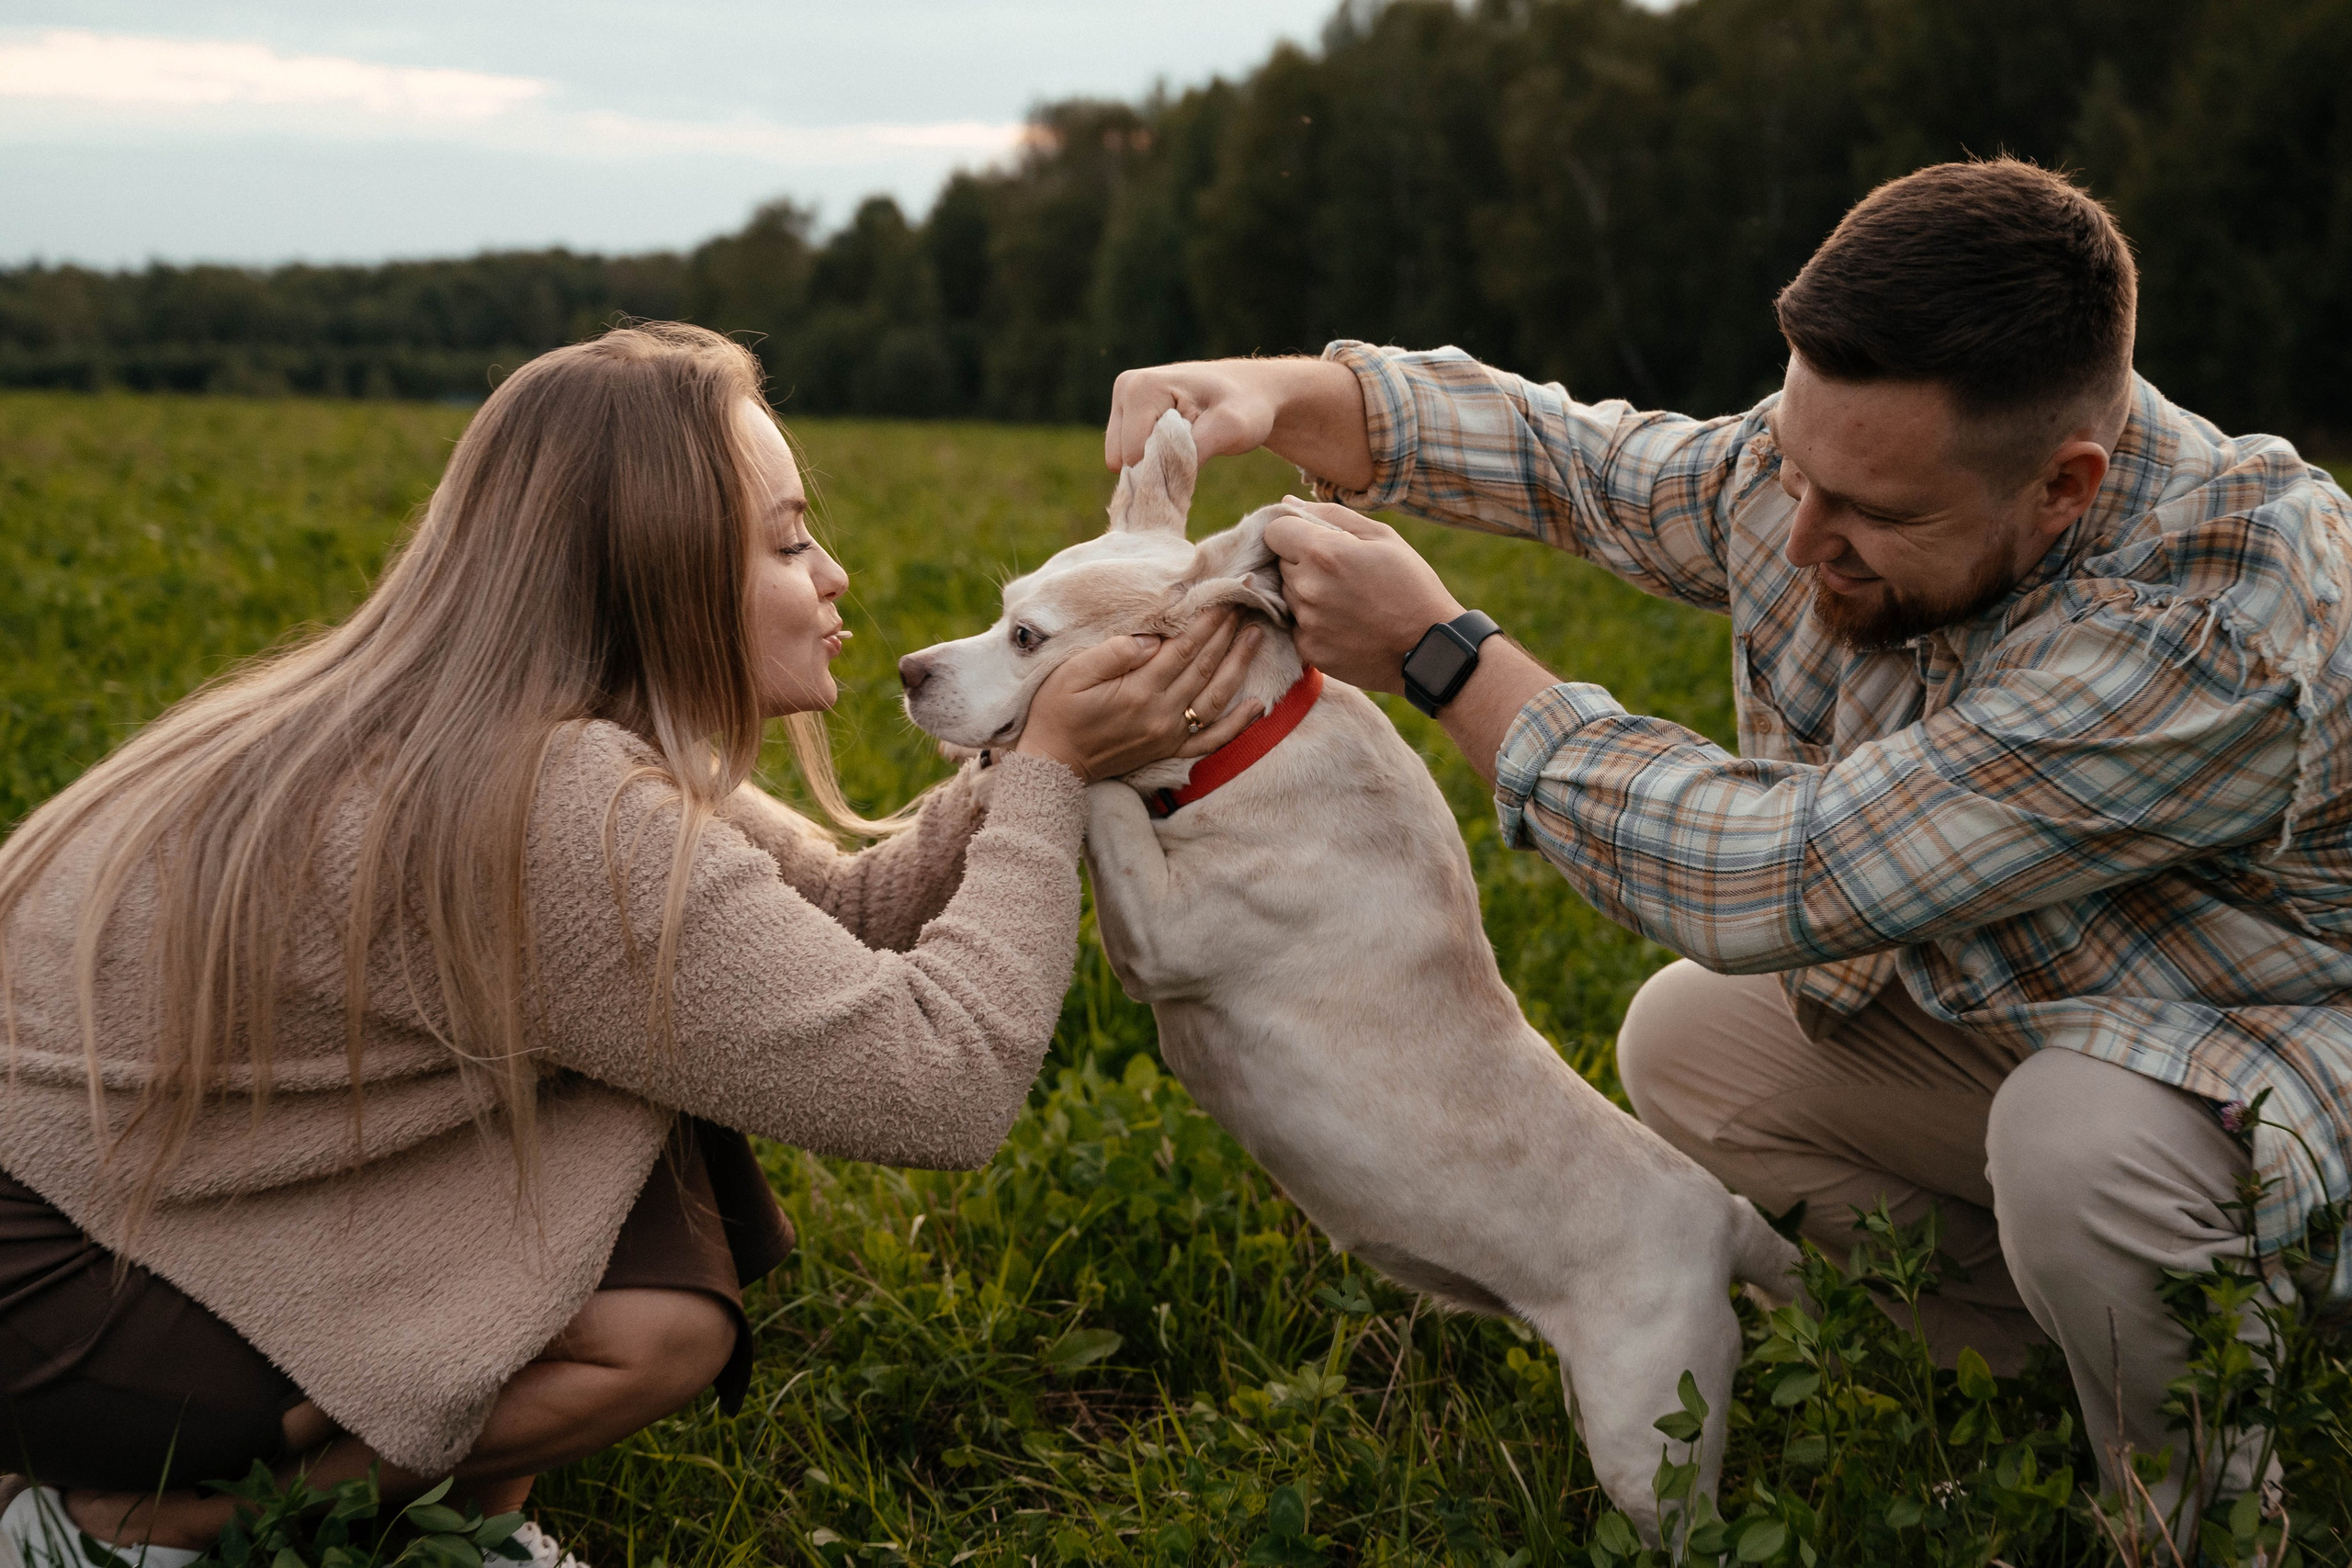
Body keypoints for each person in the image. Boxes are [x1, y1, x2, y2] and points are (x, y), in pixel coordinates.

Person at [1103, 158, 2352, 1524]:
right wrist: (1279, 395)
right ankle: (2054, 1370)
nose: (1802, 533)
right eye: (1797, 468)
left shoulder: (2218, 617)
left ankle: (2200, 1512)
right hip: (2059, 1009)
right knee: (1694, 1045)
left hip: (2275, 1061)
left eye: (1871, 513)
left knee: (2081, 1147)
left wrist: (1443, 656)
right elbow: (1591, 468)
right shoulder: (1863, 468)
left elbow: (1785, 874)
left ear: (2063, 487)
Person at [0, 321, 1264, 1561]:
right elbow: (943, 1086)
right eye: (788, 542)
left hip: (150, 1199)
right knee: (658, 1268)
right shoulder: (554, 810)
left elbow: (844, 920)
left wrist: (1033, 740)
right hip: (61, 1293)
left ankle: (453, 1533)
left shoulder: (531, 730)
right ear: (664, 572)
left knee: (656, 1166)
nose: (833, 574)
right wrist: (1047, 778)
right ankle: (130, 1524)